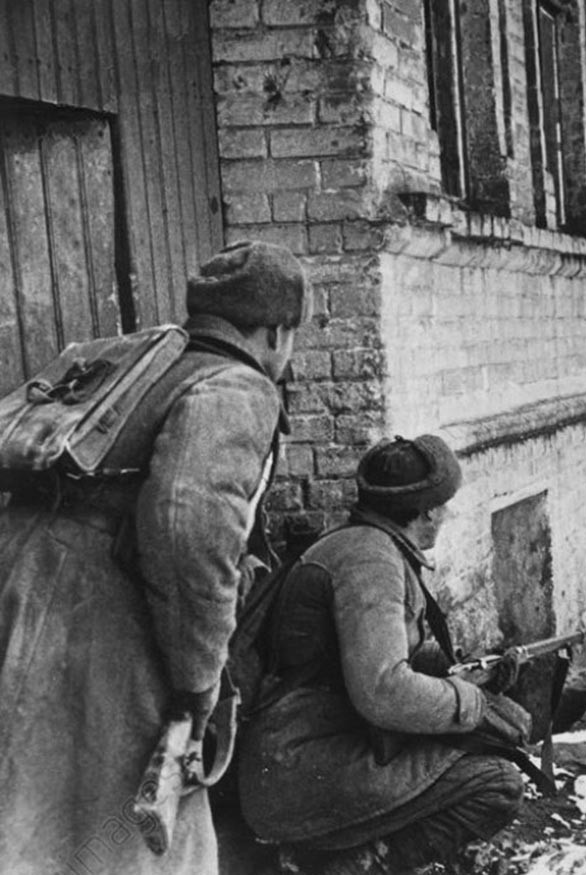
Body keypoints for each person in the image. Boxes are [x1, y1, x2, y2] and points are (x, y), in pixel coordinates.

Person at [0, 241, 308, 874]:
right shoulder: (237, 385)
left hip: (24, 580)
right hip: (97, 617)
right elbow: (185, 527)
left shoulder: (144, 367)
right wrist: (198, 682)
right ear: (277, 331)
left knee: (29, 805)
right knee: (125, 835)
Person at [237, 435, 529, 874]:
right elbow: (384, 690)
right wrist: (472, 703)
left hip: (313, 748)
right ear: (427, 511)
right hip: (303, 764)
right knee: (496, 784)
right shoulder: (370, 562)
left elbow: (372, 655)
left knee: (494, 734)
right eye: (443, 505)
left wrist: (463, 671)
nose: (446, 515)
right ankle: (352, 865)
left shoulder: (363, 545)